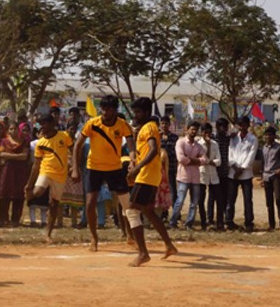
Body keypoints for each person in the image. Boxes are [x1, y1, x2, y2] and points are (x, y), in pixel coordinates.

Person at [72, 95, 135, 252]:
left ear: (115, 110)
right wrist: (75, 167)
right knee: (90, 203)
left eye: (109, 109)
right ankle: (94, 237)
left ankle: (129, 233)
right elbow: (77, 145)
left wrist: (133, 162)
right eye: (104, 109)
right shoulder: (92, 124)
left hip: (115, 168)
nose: (106, 112)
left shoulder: (123, 125)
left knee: (127, 205)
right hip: (94, 167)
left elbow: (132, 146)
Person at [125, 97, 178, 267]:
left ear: (147, 112)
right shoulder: (146, 127)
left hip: (146, 175)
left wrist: (137, 168)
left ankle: (143, 253)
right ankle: (169, 245)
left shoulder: (149, 127)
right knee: (148, 211)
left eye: (138, 112)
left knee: (132, 211)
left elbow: (154, 149)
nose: (136, 115)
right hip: (150, 174)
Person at [25, 114, 73, 242]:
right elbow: (36, 165)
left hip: (60, 174)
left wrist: (74, 166)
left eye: (44, 124)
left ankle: (48, 233)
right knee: (37, 192)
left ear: (52, 124)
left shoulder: (64, 136)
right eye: (41, 124)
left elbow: (74, 150)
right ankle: (35, 200)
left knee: (54, 204)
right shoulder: (40, 143)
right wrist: (29, 184)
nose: (42, 127)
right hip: (45, 171)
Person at [170, 121, 205, 229]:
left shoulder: (198, 145)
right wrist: (196, 160)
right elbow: (181, 159)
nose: (194, 131)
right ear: (187, 129)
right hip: (183, 176)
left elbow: (204, 160)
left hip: (195, 177)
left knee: (194, 203)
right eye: (192, 129)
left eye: (196, 130)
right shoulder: (180, 142)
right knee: (180, 201)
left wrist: (189, 159)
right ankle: (173, 222)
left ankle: (189, 223)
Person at [227, 116, 258, 232]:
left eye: (244, 125)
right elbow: (230, 153)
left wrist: (241, 169)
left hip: (246, 174)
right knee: (231, 198)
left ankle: (249, 222)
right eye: (240, 125)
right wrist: (234, 167)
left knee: (247, 199)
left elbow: (251, 156)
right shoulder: (233, 138)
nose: (242, 127)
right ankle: (229, 221)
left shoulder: (253, 139)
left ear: (248, 125)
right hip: (233, 173)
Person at [0, 122, 30, 227]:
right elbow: (1, 154)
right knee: (4, 194)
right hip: (7, 171)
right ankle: (3, 219)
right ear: (8, 131)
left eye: (15, 129)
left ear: (18, 130)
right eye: (11, 129)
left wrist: (9, 156)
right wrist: (17, 156)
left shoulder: (24, 142)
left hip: (20, 171)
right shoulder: (4, 141)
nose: (13, 131)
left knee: (18, 195)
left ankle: (15, 219)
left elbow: (24, 156)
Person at [260, 127, 280, 231]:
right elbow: (262, 163)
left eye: (270, 135)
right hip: (266, 176)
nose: (267, 137)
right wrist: (262, 178)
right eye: (266, 135)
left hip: (276, 176)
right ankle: (271, 224)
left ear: (274, 136)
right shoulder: (264, 148)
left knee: (278, 199)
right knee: (269, 202)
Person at [198, 122, 221, 230]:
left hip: (213, 174)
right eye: (205, 132)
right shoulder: (199, 144)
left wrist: (210, 161)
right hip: (202, 174)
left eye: (209, 132)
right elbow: (202, 160)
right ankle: (203, 222)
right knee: (201, 199)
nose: (208, 134)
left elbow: (219, 160)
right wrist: (207, 146)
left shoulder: (215, 144)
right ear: (202, 133)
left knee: (216, 198)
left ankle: (215, 221)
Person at [214, 118, 231, 231]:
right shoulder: (213, 139)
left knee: (225, 198)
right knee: (214, 199)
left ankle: (224, 220)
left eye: (224, 127)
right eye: (220, 126)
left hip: (226, 173)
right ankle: (214, 221)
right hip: (214, 173)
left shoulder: (229, 139)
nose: (222, 129)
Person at [160, 116, 179, 208]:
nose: (164, 125)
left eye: (166, 123)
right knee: (160, 191)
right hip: (159, 169)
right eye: (162, 123)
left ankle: (176, 213)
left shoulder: (175, 137)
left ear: (169, 125)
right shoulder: (157, 136)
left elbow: (174, 151)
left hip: (171, 168)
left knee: (172, 190)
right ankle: (163, 213)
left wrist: (164, 151)